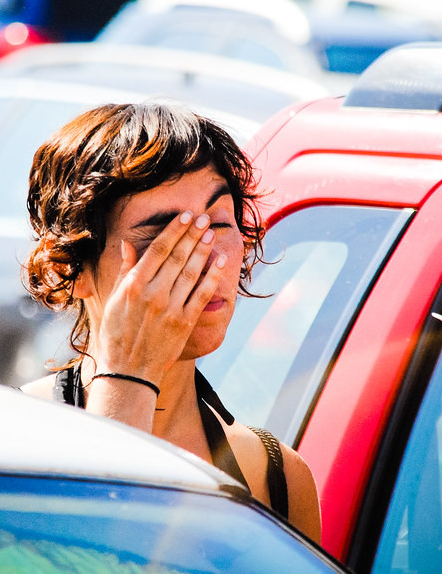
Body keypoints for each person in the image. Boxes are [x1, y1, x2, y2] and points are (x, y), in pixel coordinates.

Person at [20, 101, 322, 541]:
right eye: (164, 237)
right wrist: (129, 373)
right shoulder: (7, 443)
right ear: (72, 269)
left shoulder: (279, 480)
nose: (207, 259)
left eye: (219, 223)